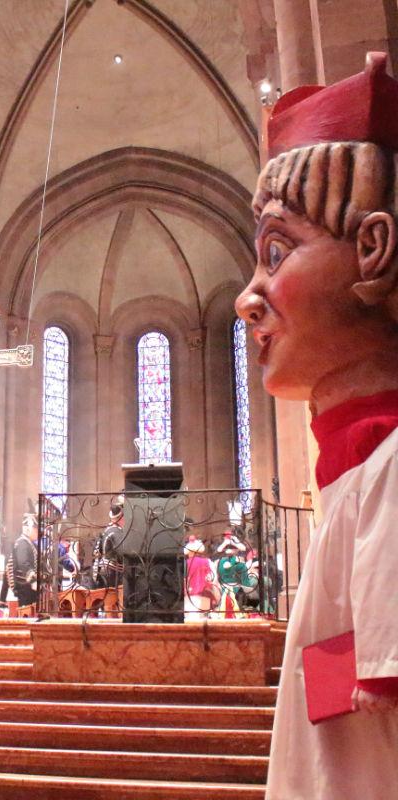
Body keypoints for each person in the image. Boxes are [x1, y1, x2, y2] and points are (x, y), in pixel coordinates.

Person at [235, 52, 398, 799]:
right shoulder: (357, 469)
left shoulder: (390, 462)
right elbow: (338, 667)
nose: (248, 298)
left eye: (277, 252)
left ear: (374, 246)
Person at [92, 496, 124, 590]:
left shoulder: (107, 530)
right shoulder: (116, 531)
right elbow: (121, 552)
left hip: (103, 570)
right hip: (112, 571)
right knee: (112, 600)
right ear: (120, 517)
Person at [9, 513, 39, 608]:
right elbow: (23, 563)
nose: (37, 531)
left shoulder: (29, 543)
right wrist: (33, 581)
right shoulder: (22, 543)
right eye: (36, 529)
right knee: (27, 611)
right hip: (24, 586)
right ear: (28, 529)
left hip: (28, 587)